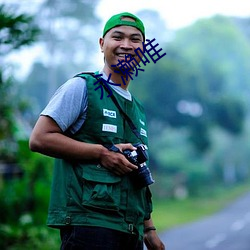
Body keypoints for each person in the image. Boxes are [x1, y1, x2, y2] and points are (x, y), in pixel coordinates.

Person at [29, 12, 165, 250]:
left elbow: (137, 170)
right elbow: (40, 138)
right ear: (102, 44)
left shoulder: (138, 109)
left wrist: (149, 228)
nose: (126, 45)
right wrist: (102, 153)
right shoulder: (81, 87)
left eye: (135, 39)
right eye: (118, 37)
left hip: (130, 229)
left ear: (143, 50)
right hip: (89, 225)